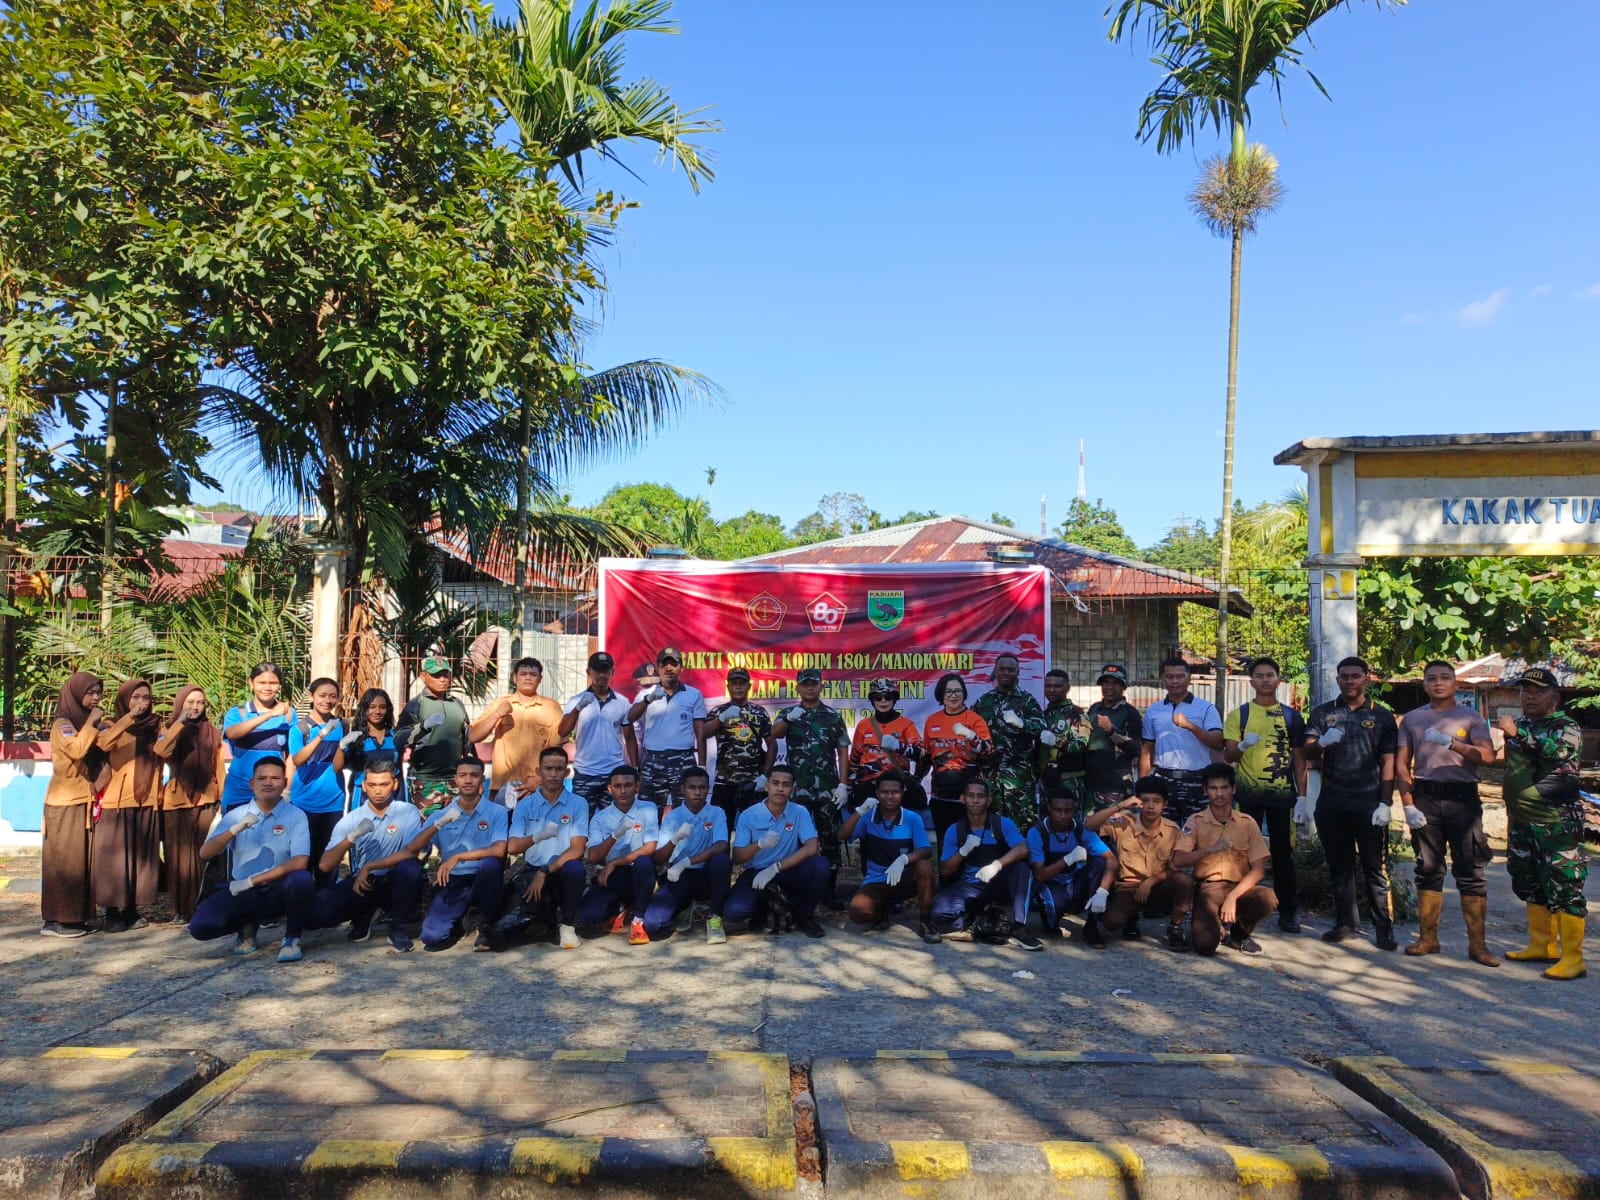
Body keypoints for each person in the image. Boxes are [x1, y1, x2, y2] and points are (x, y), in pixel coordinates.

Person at [1396, 660, 1498, 965]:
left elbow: (1488, 757)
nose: (1438, 682)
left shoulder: (1471, 717)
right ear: (1424, 684)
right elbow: (1402, 764)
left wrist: (1453, 744)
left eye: (1444, 677)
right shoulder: (1412, 719)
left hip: (1463, 798)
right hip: (1426, 795)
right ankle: (1427, 938)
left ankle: (1478, 946)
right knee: (1427, 867)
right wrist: (1407, 804)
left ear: (1455, 683)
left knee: (1470, 870)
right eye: (1432, 678)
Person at [1303, 656, 1400, 950]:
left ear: (1366, 679)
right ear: (1337, 679)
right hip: (1332, 803)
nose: (1349, 681)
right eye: (1344, 676)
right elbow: (1306, 752)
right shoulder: (1323, 713)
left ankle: (1384, 928)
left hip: (1369, 804)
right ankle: (1345, 924)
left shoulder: (1382, 716)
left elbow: (1389, 763)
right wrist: (1321, 743)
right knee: (1340, 867)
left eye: (1355, 676)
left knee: (1375, 868)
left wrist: (1386, 802)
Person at [1497, 667, 1586, 981]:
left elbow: (1558, 753)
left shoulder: (1567, 726)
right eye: (1525, 690)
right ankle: (1541, 945)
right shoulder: (1521, 725)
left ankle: (1573, 958)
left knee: (1564, 885)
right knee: (1528, 881)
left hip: (1556, 821)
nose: (1529, 696)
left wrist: (1518, 734)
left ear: (1555, 697)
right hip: (1522, 819)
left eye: (1537, 690)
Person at [190, 758, 314, 963]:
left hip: (277, 890)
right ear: (251, 783)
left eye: (275, 778)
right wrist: (233, 830)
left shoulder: (296, 815)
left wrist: (253, 881)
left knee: (302, 880)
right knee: (200, 927)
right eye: (262, 778)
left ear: (284, 782)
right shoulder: (236, 815)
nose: (268, 783)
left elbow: (300, 861)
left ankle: (292, 939)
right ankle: (246, 925)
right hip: (242, 890)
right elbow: (205, 853)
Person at [1222, 657, 1306, 934]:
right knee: (1242, 854)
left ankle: (1288, 912)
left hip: (1282, 796)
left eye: (1270, 675)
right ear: (1252, 681)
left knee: (1283, 854)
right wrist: (1242, 747)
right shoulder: (1240, 715)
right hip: (1248, 795)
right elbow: (1229, 756)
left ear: (1278, 680)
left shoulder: (1292, 717)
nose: (1265, 680)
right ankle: (1238, 908)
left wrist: (1303, 797)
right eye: (1259, 675)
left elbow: (1299, 759)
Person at [311, 760, 423, 953]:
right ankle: (363, 914)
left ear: (395, 784)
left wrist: (369, 866)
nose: (377, 791)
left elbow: (411, 851)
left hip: (395, 881)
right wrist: (351, 837)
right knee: (313, 915)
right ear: (363, 786)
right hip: (363, 883)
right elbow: (324, 865)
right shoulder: (352, 818)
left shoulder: (408, 811)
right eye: (372, 785)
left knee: (411, 868)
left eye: (384, 784)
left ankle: (398, 929)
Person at [1171, 764, 1278, 955]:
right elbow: (1179, 860)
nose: (1219, 794)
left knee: (1267, 897)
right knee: (1205, 947)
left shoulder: (1247, 823)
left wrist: (1233, 896)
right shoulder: (1195, 821)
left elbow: (1258, 870)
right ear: (1205, 790)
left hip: (1239, 887)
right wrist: (1208, 850)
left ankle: (1240, 932)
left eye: (1224, 788)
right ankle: (1218, 928)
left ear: (1234, 789)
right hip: (1207, 890)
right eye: (1213, 788)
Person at [405, 759, 508, 952]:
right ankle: (461, 918)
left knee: (491, 864)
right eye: (463, 775)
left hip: (484, 879)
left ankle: (485, 925)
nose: (468, 780)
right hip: (453, 881)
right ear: (456, 780)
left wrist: (458, 857)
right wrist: (437, 824)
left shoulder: (497, 812)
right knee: (431, 938)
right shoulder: (441, 815)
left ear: (482, 779)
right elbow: (413, 848)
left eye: (474, 775)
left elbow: (499, 850)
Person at [771, 667, 850, 909]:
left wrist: (843, 784)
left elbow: (842, 751)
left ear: (821, 686)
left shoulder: (832, 716)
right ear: (797, 687)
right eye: (804, 684)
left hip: (827, 788)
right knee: (795, 838)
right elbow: (774, 735)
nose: (809, 687)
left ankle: (829, 890)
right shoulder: (788, 713)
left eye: (813, 683)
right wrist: (788, 720)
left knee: (830, 839)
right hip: (798, 790)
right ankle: (796, 887)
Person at [931, 778, 1038, 950]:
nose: (975, 800)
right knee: (938, 913)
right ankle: (980, 924)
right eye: (970, 795)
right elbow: (945, 871)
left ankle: (1019, 927)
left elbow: (1023, 848)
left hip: (999, 883)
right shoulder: (955, 830)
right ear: (963, 799)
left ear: (988, 800)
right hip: (970, 886)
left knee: (1022, 868)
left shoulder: (1002, 824)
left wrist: (997, 865)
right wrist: (963, 851)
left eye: (980, 796)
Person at [91, 679, 163, 932]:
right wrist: (128, 718)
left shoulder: (155, 726)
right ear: (124, 700)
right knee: (114, 859)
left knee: (140, 857)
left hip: (147, 799)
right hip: (116, 801)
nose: (141, 703)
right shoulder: (110, 724)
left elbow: (164, 753)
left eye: (146, 698)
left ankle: (131, 908)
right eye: (135, 698)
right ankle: (112, 911)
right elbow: (103, 743)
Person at [501, 745, 590, 950]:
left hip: (561, 870)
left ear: (567, 772)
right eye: (548, 769)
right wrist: (538, 836)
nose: (553, 774)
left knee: (576, 869)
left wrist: (545, 870)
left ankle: (568, 924)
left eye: (559, 769)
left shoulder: (578, 803)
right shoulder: (525, 805)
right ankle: (547, 919)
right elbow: (513, 847)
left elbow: (577, 850)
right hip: (532, 872)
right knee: (528, 928)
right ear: (538, 771)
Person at [40, 673, 107, 937]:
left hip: (81, 800)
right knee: (64, 863)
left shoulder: (79, 723)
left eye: (98, 692)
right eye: (90, 693)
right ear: (75, 694)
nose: (95, 698)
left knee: (79, 863)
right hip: (64, 802)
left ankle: (76, 917)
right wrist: (91, 722)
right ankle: (58, 921)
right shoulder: (63, 725)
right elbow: (77, 750)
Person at [726, 765, 829, 938]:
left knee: (820, 865)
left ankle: (804, 915)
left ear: (793, 789)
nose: (780, 789)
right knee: (734, 912)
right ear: (767, 786)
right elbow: (737, 857)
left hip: (787, 870)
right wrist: (759, 844)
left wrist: (776, 867)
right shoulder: (749, 815)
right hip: (757, 873)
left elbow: (812, 847)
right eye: (775, 783)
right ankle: (765, 906)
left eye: (786, 784)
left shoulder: (800, 812)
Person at [838, 773, 940, 944]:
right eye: (885, 792)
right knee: (858, 912)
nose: (890, 796)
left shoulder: (912, 818)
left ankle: (925, 921)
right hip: (876, 879)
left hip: (904, 878)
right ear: (877, 793)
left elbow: (926, 850)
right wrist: (859, 812)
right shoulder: (868, 816)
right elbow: (841, 836)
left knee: (924, 866)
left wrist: (904, 859)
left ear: (902, 793)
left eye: (895, 792)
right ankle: (882, 909)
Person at [153, 685, 224, 925]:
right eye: (190, 702)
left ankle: (204, 905)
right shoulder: (168, 730)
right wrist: (179, 723)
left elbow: (219, 768)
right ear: (180, 703)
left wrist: (223, 798)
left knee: (204, 855)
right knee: (178, 857)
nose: (195, 707)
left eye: (200, 703)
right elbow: (161, 751)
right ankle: (181, 909)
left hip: (207, 799)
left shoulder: (212, 732)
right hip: (176, 801)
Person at [1098, 777, 1195, 951]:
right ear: (1137, 802)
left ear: (1165, 804)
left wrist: (1151, 882)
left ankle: (1175, 927)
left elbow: (1176, 866)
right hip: (1128, 888)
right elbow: (1089, 825)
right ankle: (1131, 918)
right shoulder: (1123, 822)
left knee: (1184, 881)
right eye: (1145, 801)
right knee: (1111, 923)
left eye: (1156, 801)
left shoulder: (1172, 830)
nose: (1150, 806)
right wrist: (1120, 806)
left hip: (1158, 886)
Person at [643, 766, 733, 943]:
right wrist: (675, 839)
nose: (697, 792)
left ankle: (716, 917)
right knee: (654, 925)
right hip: (679, 875)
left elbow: (722, 845)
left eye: (702, 787)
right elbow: (659, 859)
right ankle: (684, 906)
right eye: (692, 787)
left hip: (707, 874)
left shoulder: (716, 812)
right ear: (683, 789)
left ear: (708, 789)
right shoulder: (673, 817)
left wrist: (687, 861)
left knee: (722, 861)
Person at [578, 765, 659, 943]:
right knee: (588, 917)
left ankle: (638, 918)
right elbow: (593, 857)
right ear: (610, 788)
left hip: (638, 871)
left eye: (628, 785)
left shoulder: (648, 808)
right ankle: (621, 907)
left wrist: (614, 862)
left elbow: (650, 847)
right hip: (612, 875)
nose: (623, 791)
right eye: (617, 786)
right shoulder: (600, 818)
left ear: (637, 787)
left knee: (644, 862)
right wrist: (615, 835)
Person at [1026, 789, 1117, 948]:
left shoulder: (1081, 830)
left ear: (1074, 809)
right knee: (1052, 928)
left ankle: (1092, 926)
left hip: (1075, 882)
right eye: (1057, 810)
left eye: (1068, 811)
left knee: (1100, 863)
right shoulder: (1037, 832)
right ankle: (1050, 916)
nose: (1062, 816)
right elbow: (1040, 875)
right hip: (1049, 883)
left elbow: (1111, 859)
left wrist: (1103, 892)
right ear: (1049, 808)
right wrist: (1068, 859)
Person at [1139, 657, 1223, 825]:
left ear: (1189, 678)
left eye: (1179, 676)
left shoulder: (1206, 708)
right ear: (1162, 679)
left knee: (1199, 830)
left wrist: (1190, 726)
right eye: (1169, 677)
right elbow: (1147, 749)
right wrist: (1142, 786)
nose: (1175, 681)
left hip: (1197, 780)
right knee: (1163, 831)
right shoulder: (1154, 710)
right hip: (1164, 779)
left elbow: (1217, 742)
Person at [469, 656, 564, 797]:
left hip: (536, 786)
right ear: (514, 678)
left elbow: (556, 750)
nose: (528, 678)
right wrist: (497, 714)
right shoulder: (501, 703)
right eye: (523, 674)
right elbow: (473, 736)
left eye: (533, 674)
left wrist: (540, 779)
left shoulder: (551, 707)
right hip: (502, 784)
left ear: (540, 679)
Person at [919, 673, 994, 849]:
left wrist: (971, 736)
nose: (954, 695)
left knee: (970, 845)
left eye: (958, 691)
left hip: (968, 799)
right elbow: (926, 756)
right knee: (944, 844)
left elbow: (989, 751)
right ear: (941, 695)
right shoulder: (932, 720)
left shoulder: (974, 720)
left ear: (964, 693)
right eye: (949, 691)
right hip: (940, 797)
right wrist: (916, 779)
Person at [627, 647, 707, 810]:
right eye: (664, 664)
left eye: (674, 664)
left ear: (681, 668)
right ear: (658, 667)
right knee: (648, 814)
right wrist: (648, 700)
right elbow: (630, 717)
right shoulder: (646, 695)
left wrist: (702, 767)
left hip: (684, 760)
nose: (669, 668)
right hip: (653, 761)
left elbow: (701, 733)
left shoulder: (693, 695)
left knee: (685, 813)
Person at [287, 677, 348, 886]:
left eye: (332, 696)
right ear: (311, 696)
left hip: (334, 801)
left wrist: (343, 745)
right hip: (304, 802)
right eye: (322, 695)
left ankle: (325, 899)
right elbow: (297, 759)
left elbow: (340, 764)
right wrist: (321, 735)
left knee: (328, 859)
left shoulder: (342, 725)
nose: (327, 701)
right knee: (304, 858)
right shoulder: (300, 728)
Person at [558, 651, 637, 813]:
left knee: (613, 820)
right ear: (589, 672)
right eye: (597, 671)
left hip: (613, 773)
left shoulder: (622, 702)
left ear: (612, 672)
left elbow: (629, 737)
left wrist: (635, 769)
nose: (602, 675)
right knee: (582, 820)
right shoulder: (576, 700)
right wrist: (578, 708)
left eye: (606, 671)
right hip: (585, 772)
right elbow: (563, 731)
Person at [973, 653, 1046, 826]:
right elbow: (973, 731)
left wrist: (1022, 724)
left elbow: (1042, 728)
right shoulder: (983, 701)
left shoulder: (1027, 701)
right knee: (991, 827)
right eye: (1002, 669)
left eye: (1011, 669)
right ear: (995, 671)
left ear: (1018, 672)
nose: (1006, 673)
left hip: (1020, 779)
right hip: (990, 778)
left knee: (1022, 828)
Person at [394, 657, 472, 817]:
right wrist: (422, 727)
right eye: (436, 675)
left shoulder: (457, 704)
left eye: (445, 675)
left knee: (457, 827)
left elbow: (467, 741)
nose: (442, 679)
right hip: (425, 781)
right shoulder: (416, 705)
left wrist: (472, 773)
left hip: (454, 780)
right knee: (427, 828)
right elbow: (399, 740)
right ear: (423, 676)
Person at [705, 667, 773, 824]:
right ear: (728, 686)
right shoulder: (719, 711)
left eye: (742, 683)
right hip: (724, 782)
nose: (738, 686)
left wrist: (765, 775)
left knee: (755, 829)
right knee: (721, 829)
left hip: (753, 782)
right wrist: (721, 718)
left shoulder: (759, 712)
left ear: (749, 686)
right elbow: (704, 733)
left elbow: (772, 745)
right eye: (734, 683)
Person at [221, 662, 292, 812]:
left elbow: (291, 756)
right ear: (251, 683)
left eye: (273, 683)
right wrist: (270, 714)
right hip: (238, 792)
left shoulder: (289, 715)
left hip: (272, 794)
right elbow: (232, 733)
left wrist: (286, 789)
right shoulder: (238, 713)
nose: (267, 687)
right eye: (262, 682)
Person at [846, 678, 924, 809]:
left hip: (896, 784)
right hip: (869, 784)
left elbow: (921, 754)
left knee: (919, 799)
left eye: (888, 697)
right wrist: (848, 787)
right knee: (855, 805)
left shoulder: (906, 724)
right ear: (872, 700)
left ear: (894, 699)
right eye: (878, 697)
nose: (883, 701)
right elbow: (854, 760)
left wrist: (899, 746)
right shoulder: (863, 725)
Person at [1085, 663, 1143, 810]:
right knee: (1091, 823)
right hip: (1091, 782)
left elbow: (1136, 748)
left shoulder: (1130, 713)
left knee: (1116, 824)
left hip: (1116, 785)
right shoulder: (1094, 708)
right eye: (1106, 682)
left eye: (1115, 683)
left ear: (1123, 686)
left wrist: (1112, 732)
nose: (1109, 687)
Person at [1038, 669, 1093, 806]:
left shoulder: (1076, 714)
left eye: (1057, 686)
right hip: (1047, 781)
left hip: (1069, 782)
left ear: (1067, 688)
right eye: (1048, 686)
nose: (1052, 690)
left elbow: (1081, 746)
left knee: (1068, 818)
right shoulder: (1044, 714)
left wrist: (1056, 741)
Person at [340, 688, 404, 806]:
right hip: (363, 797)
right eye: (372, 707)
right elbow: (338, 767)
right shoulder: (356, 738)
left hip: (394, 795)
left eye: (382, 707)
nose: (377, 711)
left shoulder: (394, 736)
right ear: (364, 709)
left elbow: (400, 767)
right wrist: (341, 746)